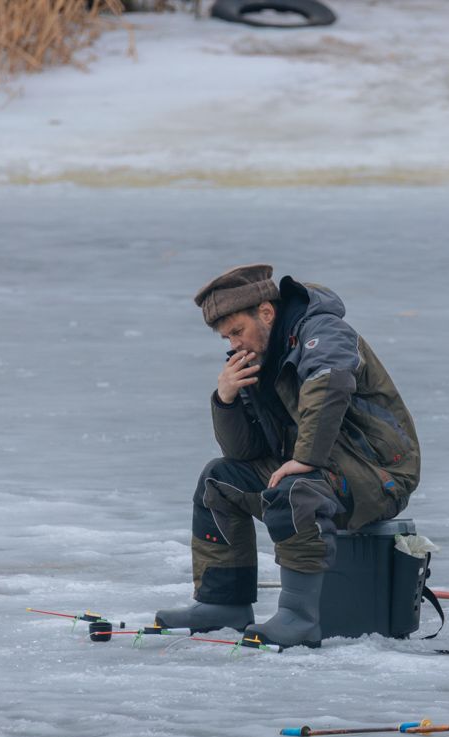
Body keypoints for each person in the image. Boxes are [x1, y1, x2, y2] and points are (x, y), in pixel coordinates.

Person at [156, 264, 421, 648]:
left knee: (296, 490)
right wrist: (226, 399)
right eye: (226, 337)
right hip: (321, 470)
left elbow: (328, 388)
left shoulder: (325, 331)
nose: (233, 344)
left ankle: (299, 618)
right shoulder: (256, 354)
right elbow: (243, 453)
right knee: (219, 479)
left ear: (265, 312)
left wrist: (306, 459)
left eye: (237, 331)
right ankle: (223, 603)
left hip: (378, 475)